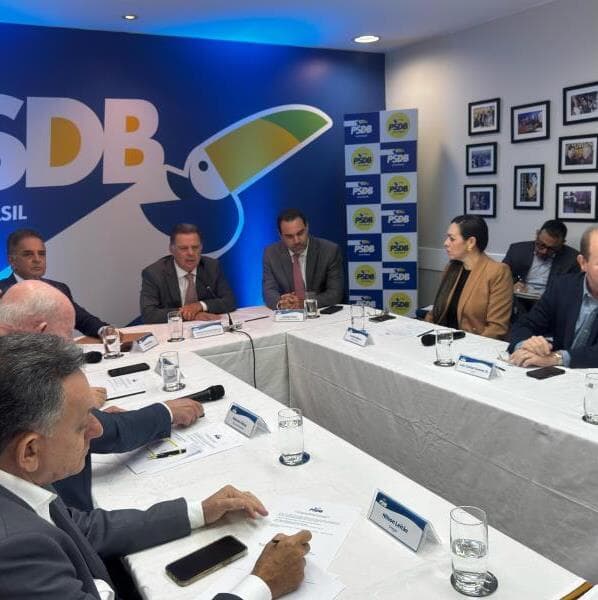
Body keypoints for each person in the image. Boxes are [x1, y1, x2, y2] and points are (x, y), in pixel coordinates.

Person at [0, 333, 310, 600]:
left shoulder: (20, 474)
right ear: (30, 451)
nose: (98, 429)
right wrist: (262, 585)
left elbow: (82, 527)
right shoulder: (16, 550)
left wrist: (200, 511)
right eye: (82, 425)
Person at [0, 280, 203, 511]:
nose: (73, 346)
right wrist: (166, 412)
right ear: (42, 334)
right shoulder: (19, 376)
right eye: (68, 337)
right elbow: (102, 432)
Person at [509, 225, 598, 369]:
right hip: (557, 375)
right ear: (583, 263)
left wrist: (557, 358)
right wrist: (526, 344)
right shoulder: (562, 287)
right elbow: (525, 324)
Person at [0, 228, 110, 338]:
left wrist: (106, 331)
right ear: (12, 260)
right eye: (28, 254)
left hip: (58, 348)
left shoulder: (59, 288)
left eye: (42, 254)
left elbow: (83, 319)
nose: (37, 259)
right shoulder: (3, 291)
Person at [426, 215, 512, 340]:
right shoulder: (451, 268)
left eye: (452, 239)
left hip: (474, 345)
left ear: (471, 242)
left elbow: (496, 329)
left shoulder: (497, 272)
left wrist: (469, 348)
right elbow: (436, 312)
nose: (446, 243)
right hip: (442, 341)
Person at [140, 223, 236, 323]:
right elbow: (149, 314)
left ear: (201, 248)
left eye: (195, 247)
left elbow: (229, 301)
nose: (191, 253)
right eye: (184, 248)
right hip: (173, 330)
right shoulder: (154, 273)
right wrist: (191, 315)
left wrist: (199, 306)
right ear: (172, 249)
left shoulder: (211, 267)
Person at [262, 208, 344, 310]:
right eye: (289, 236)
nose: (296, 241)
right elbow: (269, 291)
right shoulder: (271, 254)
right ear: (280, 236)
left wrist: (304, 303)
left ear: (307, 228)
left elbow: (335, 293)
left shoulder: (329, 251)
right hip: (288, 316)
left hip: (320, 314)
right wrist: (282, 303)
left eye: (300, 233)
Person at [503, 220, 579, 296]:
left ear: (562, 243)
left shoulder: (572, 259)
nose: (544, 251)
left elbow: (573, 288)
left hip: (551, 300)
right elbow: (502, 275)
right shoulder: (517, 250)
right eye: (541, 245)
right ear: (537, 234)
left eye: (551, 249)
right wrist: (513, 284)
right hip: (520, 297)